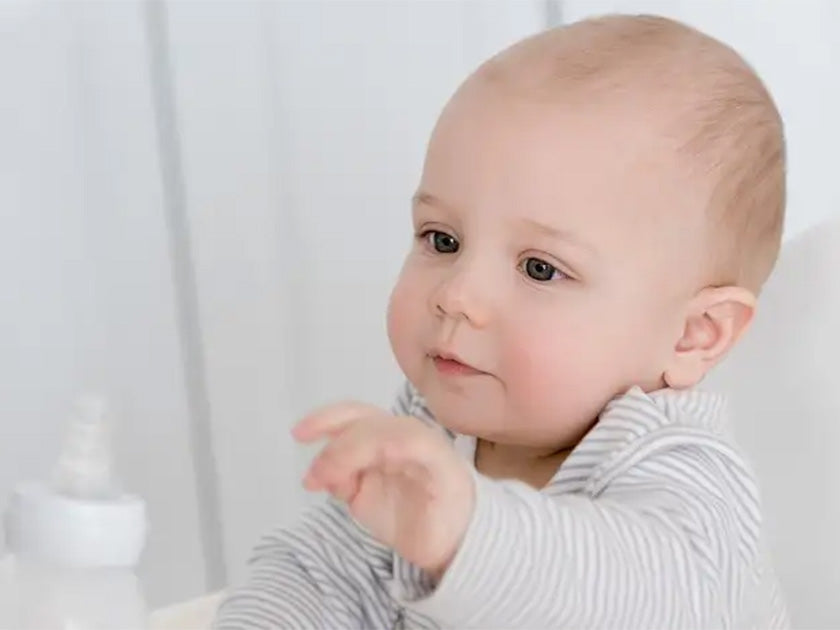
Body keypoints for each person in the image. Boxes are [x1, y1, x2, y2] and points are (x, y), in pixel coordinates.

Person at [214, 13, 788, 629]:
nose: (457, 294)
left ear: (693, 334)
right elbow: (320, 570)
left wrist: (469, 532)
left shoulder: (676, 467)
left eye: (540, 269)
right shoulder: (432, 430)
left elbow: (645, 600)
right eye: (442, 238)